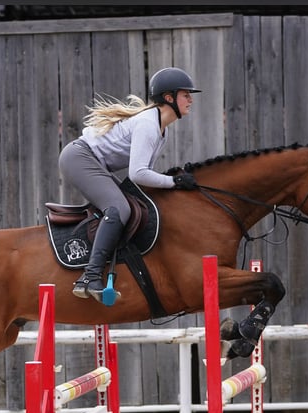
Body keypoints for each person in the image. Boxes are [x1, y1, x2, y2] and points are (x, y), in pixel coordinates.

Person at [59, 67, 201, 302]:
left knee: (131, 206)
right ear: (169, 98)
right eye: (186, 95)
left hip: (90, 161)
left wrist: (172, 183)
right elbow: (138, 174)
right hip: (79, 158)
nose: (191, 100)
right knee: (120, 209)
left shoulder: (160, 130)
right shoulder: (148, 125)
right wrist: (174, 181)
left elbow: (141, 178)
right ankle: (89, 277)